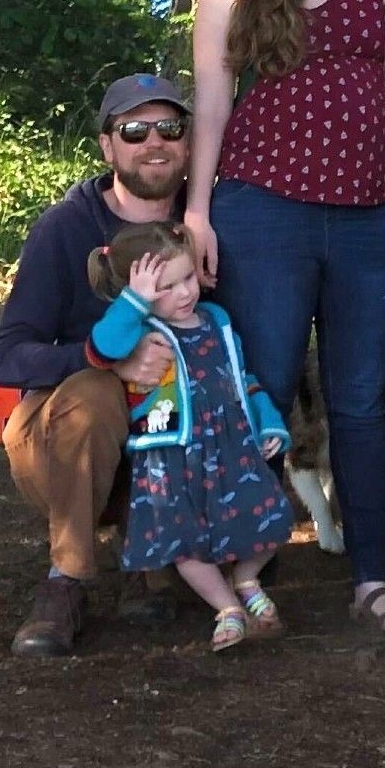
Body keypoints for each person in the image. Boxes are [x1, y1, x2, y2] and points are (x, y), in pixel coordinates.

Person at [184, 0, 385, 637]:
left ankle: (371, 578)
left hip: (368, 216)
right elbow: (213, 101)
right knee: (265, 392)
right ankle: (246, 574)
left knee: (362, 401)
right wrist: (199, 206)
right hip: (261, 208)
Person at [0, 74, 192, 656]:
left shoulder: (208, 222)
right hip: (59, 444)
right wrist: (103, 360)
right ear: (108, 146)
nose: (154, 141)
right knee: (97, 394)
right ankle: (67, 581)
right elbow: (6, 357)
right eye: (134, 130)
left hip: (166, 436)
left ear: (187, 142)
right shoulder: (66, 227)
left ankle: (157, 551)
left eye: (169, 128)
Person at [85, 223, 293, 652]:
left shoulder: (216, 320)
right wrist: (135, 302)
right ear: (138, 292)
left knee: (271, 517)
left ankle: (246, 579)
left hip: (231, 445)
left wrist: (268, 421)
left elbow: (242, 378)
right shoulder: (141, 333)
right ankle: (227, 609)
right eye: (166, 287)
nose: (184, 293)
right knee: (184, 542)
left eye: (187, 278)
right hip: (171, 457)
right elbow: (102, 347)